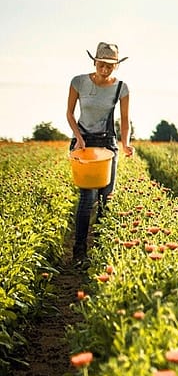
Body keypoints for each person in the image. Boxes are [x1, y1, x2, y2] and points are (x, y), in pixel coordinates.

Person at [66, 42, 134, 263]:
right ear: (94, 61)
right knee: (87, 199)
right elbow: (69, 113)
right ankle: (79, 251)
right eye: (102, 64)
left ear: (116, 66)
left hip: (107, 144)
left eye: (110, 66)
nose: (105, 69)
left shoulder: (121, 88)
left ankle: (102, 249)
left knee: (106, 197)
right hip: (83, 144)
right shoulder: (78, 82)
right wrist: (78, 136)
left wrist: (125, 143)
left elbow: (124, 121)